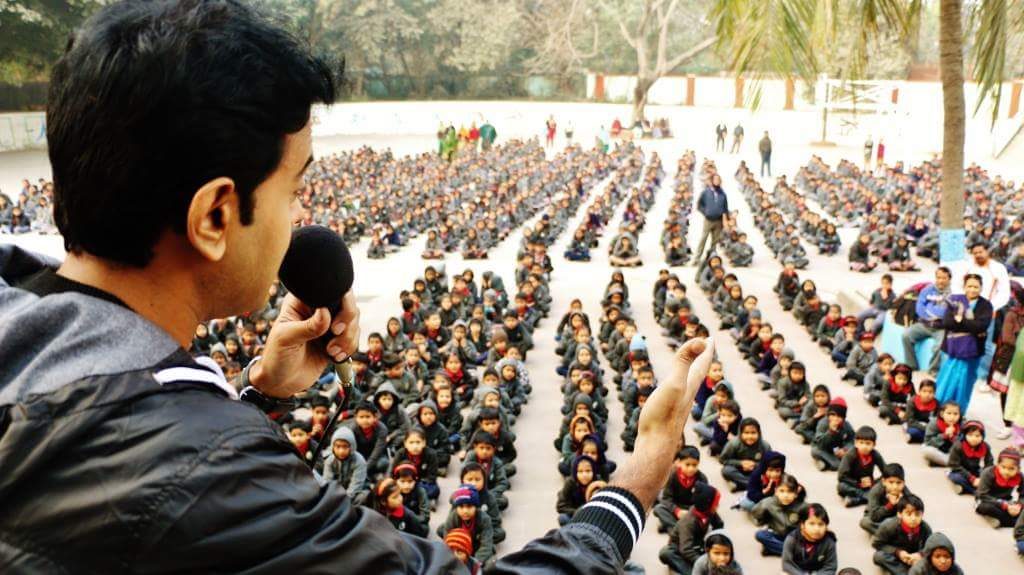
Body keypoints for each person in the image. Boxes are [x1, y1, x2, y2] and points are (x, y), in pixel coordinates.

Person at [0, 2, 719, 572]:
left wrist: (255, 397)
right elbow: (172, 480)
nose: (302, 218)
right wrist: (643, 470)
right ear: (216, 214)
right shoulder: (207, 469)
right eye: (296, 186)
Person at [935, 274, 993, 416]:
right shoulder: (955, 300)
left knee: (964, 385)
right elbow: (947, 322)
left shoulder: (985, 305)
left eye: (976, 287)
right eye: (969, 286)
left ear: (981, 288)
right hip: (952, 350)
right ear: (964, 286)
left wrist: (960, 321)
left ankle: (958, 414)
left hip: (972, 354)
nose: (972, 290)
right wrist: (969, 327)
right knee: (946, 382)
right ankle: (939, 412)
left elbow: (981, 326)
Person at [902, 267, 952, 374]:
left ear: (949, 279)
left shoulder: (952, 294)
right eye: (938, 277)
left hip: (941, 328)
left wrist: (929, 307)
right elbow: (919, 309)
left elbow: (945, 313)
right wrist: (935, 312)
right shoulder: (927, 290)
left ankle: (933, 370)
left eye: (944, 278)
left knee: (939, 347)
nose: (941, 280)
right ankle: (912, 365)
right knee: (906, 335)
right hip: (924, 325)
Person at [692, 173, 730, 266]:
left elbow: (725, 208)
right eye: (715, 179)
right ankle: (696, 258)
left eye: (718, 180)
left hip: (719, 220)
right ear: (712, 181)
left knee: (715, 241)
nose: (717, 181)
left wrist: (726, 220)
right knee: (703, 239)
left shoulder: (722, 193)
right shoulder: (706, 192)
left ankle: (712, 258)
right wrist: (705, 212)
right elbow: (699, 205)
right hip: (708, 220)